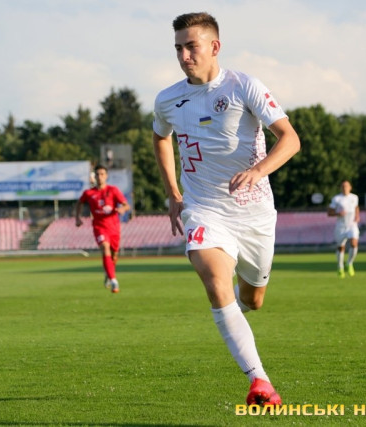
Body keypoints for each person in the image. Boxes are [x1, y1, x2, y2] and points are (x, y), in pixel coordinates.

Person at [152, 12, 300, 406]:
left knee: (253, 300)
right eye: (178, 48)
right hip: (204, 209)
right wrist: (173, 193)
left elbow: (290, 139)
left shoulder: (243, 86)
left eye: (191, 46)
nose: (184, 55)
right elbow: (160, 137)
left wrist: (258, 170)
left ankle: (233, 308)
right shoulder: (167, 99)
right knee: (214, 281)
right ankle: (260, 381)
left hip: (254, 215)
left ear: (215, 46)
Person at [75, 165, 130, 293]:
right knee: (105, 247)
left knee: (114, 255)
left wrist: (122, 209)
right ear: (94, 176)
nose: (100, 177)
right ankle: (114, 281)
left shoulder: (113, 190)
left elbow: (126, 205)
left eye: (102, 174)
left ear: (106, 176)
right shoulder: (89, 193)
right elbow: (79, 203)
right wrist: (77, 218)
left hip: (114, 227)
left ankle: (108, 272)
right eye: (97, 174)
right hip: (99, 226)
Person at [327, 180, 360, 278]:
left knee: (354, 243)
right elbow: (329, 212)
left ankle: (349, 263)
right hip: (341, 226)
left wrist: (357, 216)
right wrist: (338, 214)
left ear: (350, 187)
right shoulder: (337, 199)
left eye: (346, 186)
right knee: (341, 247)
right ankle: (340, 267)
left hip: (352, 225)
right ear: (340, 188)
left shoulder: (354, 197)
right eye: (343, 186)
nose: (345, 188)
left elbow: (356, 207)